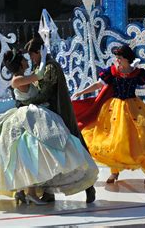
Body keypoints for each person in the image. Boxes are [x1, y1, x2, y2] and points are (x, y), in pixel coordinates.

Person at [0, 48, 98, 205]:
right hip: (27, 116)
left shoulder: (23, 77)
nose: (28, 60)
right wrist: (43, 58)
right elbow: (40, 76)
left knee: (32, 154)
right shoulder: (17, 80)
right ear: (20, 63)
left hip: (35, 114)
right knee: (25, 154)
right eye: (25, 59)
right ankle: (28, 192)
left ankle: (27, 192)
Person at [71, 45, 145, 185]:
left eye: (120, 58)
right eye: (117, 58)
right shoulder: (112, 72)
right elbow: (98, 85)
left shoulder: (138, 73)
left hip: (133, 107)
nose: (117, 60)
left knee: (142, 139)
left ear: (127, 59)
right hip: (114, 109)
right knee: (114, 140)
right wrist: (82, 92)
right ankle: (115, 171)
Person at [19, 37, 96, 203]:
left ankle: (89, 186)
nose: (31, 59)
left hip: (58, 113)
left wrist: (25, 102)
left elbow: (45, 92)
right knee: (48, 155)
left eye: (32, 55)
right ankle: (48, 191)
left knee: (73, 149)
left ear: (39, 52)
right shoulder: (40, 66)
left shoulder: (50, 67)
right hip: (45, 115)